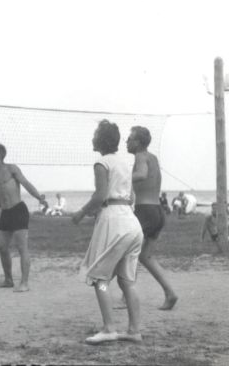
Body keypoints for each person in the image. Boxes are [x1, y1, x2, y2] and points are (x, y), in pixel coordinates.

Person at [73, 120, 143, 344]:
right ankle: (134, 330)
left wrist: (81, 213)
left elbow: (100, 195)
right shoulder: (126, 162)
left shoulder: (101, 162)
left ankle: (109, 328)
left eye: (95, 134)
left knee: (98, 278)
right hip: (132, 222)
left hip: (113, 223)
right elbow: (132, 197)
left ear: (101, 139)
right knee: (126, 281)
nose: (93, 138)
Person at [0, 142, 47, 293]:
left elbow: (26, 183)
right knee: (2, 248)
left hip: (18, 210)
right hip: (6, 213)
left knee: (22, 247)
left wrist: (39, 198)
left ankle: (24, 283)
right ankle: (8, 280)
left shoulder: (11, 169)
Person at [126, 126, 178, 311]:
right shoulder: (153, 158)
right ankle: (170, 293)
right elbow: (150, 182)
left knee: (128, 252)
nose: (126, 141)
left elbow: (141, 175)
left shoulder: (140, 156)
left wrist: (121, 176)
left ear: (138, 143)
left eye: (130, 138)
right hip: (157, 210)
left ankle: (127, 296)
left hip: (145, 211)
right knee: (145, 256)